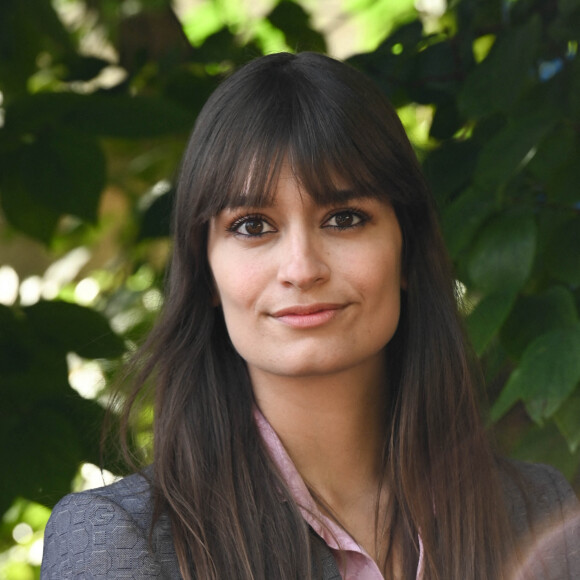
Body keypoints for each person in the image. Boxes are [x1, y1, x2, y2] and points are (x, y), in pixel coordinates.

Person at [40, 51, 579, 579]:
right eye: (253, 226)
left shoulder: (538, 512)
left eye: (344, 218)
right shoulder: (118, 542)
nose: (301, 268)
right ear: (204, 272)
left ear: (407, 251)